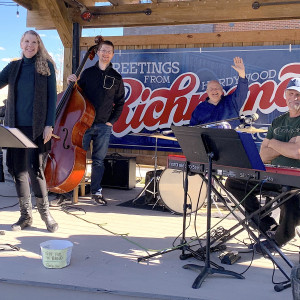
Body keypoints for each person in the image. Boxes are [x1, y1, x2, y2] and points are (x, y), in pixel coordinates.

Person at [225, 77, 300, 253]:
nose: (295, 97)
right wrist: (283, 144)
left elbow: (297, 153)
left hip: (296, 178)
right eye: (291, 93)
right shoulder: (278, 122)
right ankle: (268, 227)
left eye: (298, 94)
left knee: (291, 196)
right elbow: (263, 155)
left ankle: (282, 237)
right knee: (234, 182)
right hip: (274, 174)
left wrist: (274, 144)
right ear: (285, 95)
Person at [0, 30, 58, 232]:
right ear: (21, 43)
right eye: (26, 41)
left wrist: (49, 124)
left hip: (37, 127)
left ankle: (46, 215)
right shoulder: (13, 67)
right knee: (17, 171)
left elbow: (52, 98)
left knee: (36, 170)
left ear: (39, 44)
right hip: (14, 127)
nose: (30, 45)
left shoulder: (45, 66)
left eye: (34, 42)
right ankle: (25, 216)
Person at [67, 39, 125, 206]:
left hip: (103, 126)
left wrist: (111, 121)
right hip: (83, 124)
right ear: (98, 52)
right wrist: (73, 82)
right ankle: (71, 190)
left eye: (109, 51)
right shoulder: (87, 73)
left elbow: (120, 103)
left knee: (99, 160)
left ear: (112, 55)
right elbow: (76, 94)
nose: (106, 54)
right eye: (103, 50)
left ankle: (96, 191)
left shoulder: (116, 77)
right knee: (79, 158)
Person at [190, 57, 248, 128]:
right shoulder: (199, 108)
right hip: (208, 138)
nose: (214, 91)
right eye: (211, 89)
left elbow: (242, 92)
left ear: (221, 90)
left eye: (217, 88)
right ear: (207, 92)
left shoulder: (232, 101)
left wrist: (242, 74)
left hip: (230, 137)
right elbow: (193, 128)